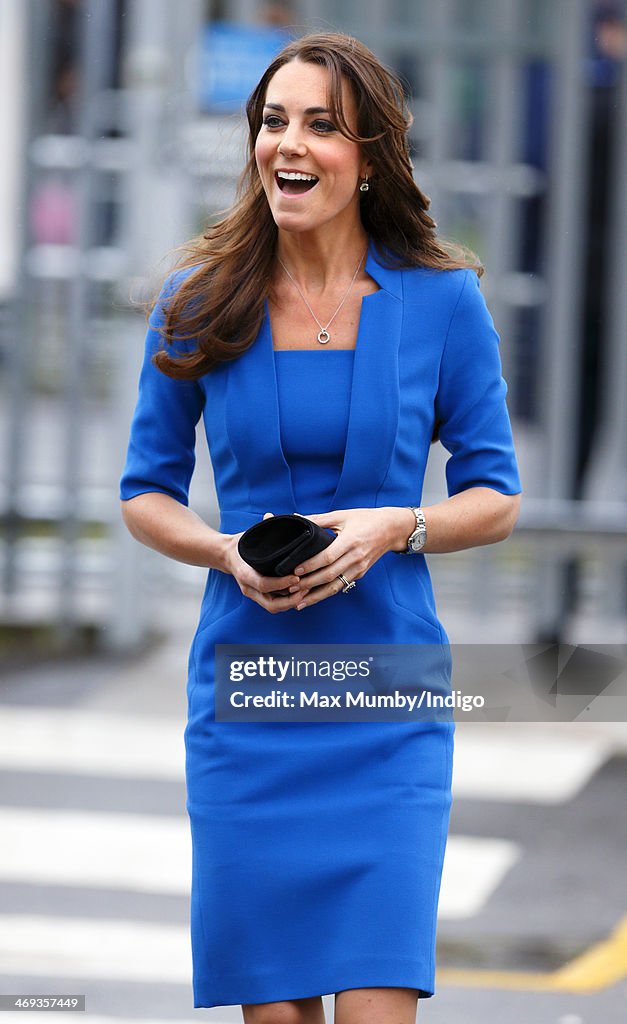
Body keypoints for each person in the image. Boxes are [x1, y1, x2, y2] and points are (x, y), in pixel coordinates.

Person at [119, 32, 522, 1024]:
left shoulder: (442, 301)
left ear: (370, 157)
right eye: (272, 121)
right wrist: (222, 550)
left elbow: (495, 495)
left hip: (387, 704)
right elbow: (144, 491)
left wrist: (399, 524)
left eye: (318, 126)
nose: (285, 144)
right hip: (250, 702)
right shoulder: (199, 298)